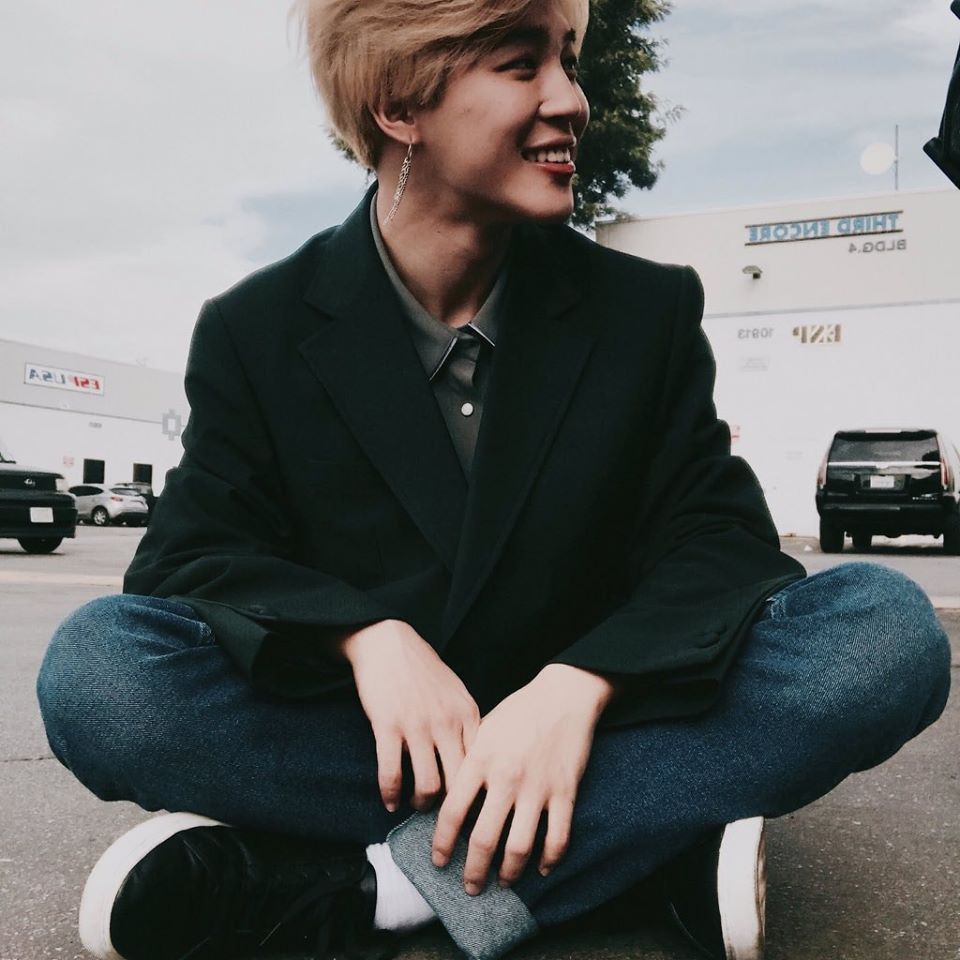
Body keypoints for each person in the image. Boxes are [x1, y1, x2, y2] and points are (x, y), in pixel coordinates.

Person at [36, 1, 951, 959]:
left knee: (879, 637)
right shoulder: (256, 328)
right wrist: (362, 637)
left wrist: (582, 685)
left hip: (594, 724)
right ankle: (640, 847)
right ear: (399, 105)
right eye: (522, 64)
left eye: (569, 59)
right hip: (374, 737)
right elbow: (192, 557)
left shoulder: (644, 311)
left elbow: (720, 547)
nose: (572, 100)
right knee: (101, 678)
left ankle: (379, 891)